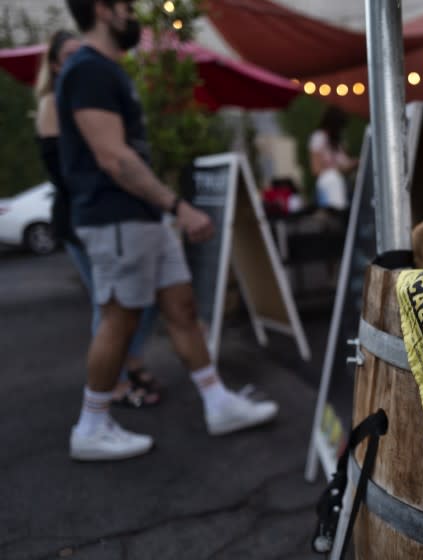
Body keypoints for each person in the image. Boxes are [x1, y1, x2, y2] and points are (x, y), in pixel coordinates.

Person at [58, 0, 278, 461]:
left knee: (181, 305)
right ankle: (91, 426)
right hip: (115, 216)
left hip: (142, 217)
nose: (133, 15)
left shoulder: (106, 70)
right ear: (103, 9)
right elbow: (113, 157)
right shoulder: (88, 70)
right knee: (121, 316)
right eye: (126, 7)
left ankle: (218, 403)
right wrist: (178, 206)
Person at [35, 29, 161, 408]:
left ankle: (130, 364)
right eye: (70, 54)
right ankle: (115, 386)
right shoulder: (54, 105)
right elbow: (71, 171)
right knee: (108, 305)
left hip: (104, 211)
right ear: (56, 64)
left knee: (134, 301)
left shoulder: (86, 99)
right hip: (83, 215)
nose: (79, 59)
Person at [308, 106, 357, 211]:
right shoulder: (319, 138)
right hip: (330, 186)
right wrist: (339, 168)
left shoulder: (338, 142)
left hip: (343, 185)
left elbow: (345, 162)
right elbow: (315, 170)